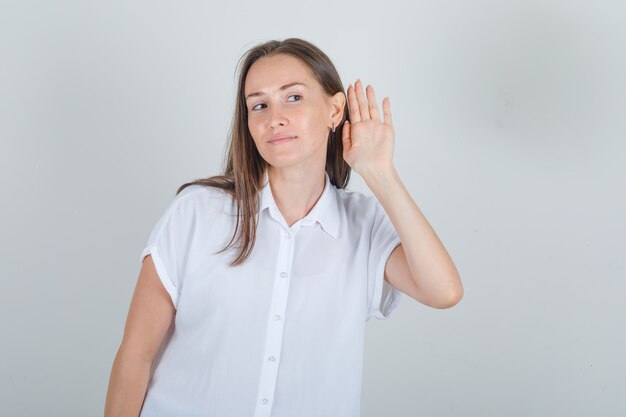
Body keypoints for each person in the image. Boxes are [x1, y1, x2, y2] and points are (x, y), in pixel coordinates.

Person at [104, 37, 463, 417]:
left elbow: (443, 291)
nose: (273, 117)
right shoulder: (196, 212)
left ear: (334, 109)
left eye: (293, 97)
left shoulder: (364, 224)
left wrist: (380, 173)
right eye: (258, 104)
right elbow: (135, 356)